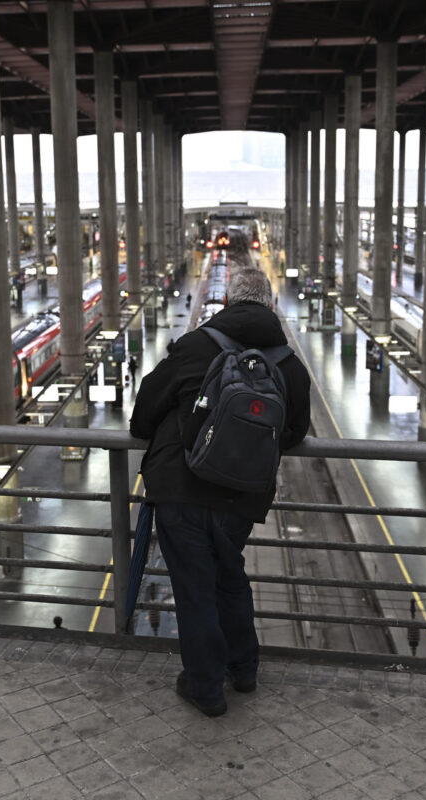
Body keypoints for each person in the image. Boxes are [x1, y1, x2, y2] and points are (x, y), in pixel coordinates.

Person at [129, 268, 310, 717]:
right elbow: (294, 432)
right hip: (241, 496)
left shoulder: (195, 345)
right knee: (230, 578)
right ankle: (243, 670)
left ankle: (206, 688)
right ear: (271, 306)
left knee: (195, 589)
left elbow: (145, 408)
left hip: (182, 488)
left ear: (227, 303)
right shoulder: (288, 362)